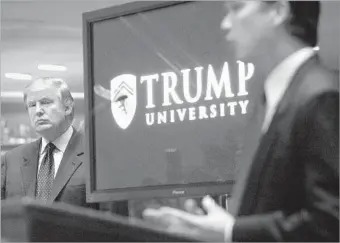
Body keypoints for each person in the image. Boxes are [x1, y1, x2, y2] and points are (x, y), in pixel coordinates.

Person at [143, 1, 339, 242]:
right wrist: (220, 228)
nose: (225, 24)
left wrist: (230, 231)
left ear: (277, 11)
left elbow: (329, 223)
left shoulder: (321, 96)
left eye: (237, 8)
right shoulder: (278, 97)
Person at [1, 77, 96, 209]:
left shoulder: (95, 154)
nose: (38, 110)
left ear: (67, 107)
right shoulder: (11, 160)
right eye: (32, 105)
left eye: (45, 102)